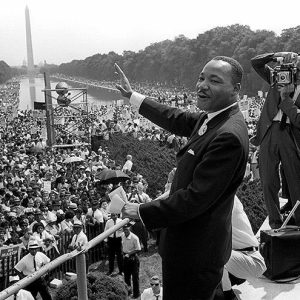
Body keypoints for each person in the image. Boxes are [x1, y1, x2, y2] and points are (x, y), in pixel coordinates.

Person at [115, 55, 249, 300]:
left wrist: (143, 210)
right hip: (191, 247)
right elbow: (174, 117)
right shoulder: (214, 118)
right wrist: (132, 96)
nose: (202, 85)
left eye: (214, 80)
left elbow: (195, 199)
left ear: (236, 89)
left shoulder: (227, 135)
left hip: (195, 253)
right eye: (201, 77)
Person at [250, 52, 300, 229]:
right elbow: (255, 63)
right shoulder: (277, 76)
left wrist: (286, 99)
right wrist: (276, 55)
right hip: (269, 131)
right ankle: (275, 223)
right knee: (268, 180)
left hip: (291, 135)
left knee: (296, 181)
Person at [221, 196, 266, 300]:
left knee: (214, 252)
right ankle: (227, 283)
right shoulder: (225, 195)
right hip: (240, 257)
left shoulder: (225, 201)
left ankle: (228, 295)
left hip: (252, 260)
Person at [121, 223, 141, 299]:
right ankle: (129, 292)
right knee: (126, 276)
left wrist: (129, 254)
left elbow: (138, 249)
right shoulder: (122, 235)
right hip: (125, 258)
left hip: (133, 258)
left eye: (127, 229)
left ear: (130, 229)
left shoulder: (134, 238)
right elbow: (122, 245)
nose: (125, 230)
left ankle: (136, 294)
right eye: (124, 229)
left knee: (135, 277)